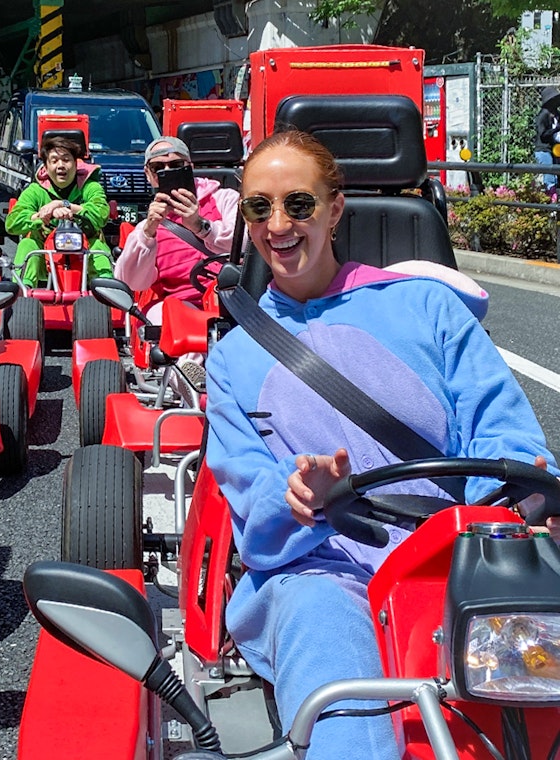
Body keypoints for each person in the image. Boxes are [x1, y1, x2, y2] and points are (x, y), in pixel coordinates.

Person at [204, 129, 558, 759]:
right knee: (325, 629)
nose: (278, 224)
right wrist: (295, 496)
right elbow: (247, 486)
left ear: (335, 209)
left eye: (300, 204)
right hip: (321, 566)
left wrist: (520, 497)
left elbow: (499, 429)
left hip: (447, 554)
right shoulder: (235, 356)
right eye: (259, 208)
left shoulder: (427, 308)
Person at [113, 136, 239, 392]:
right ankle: (191, 383)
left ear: (189, 168)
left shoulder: (225, 199)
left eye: (176, 165)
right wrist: (149, 232)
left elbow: (248, 242)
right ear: (149, 175)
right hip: (179, 304)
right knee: (170, 318)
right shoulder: (147, 228)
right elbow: (131, 282)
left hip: (232, 296)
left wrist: (200, 225)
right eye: (159, 168)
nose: (168, 172)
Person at [5, 133, 114, 287]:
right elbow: (12, 223)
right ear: (45, 166)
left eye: (66, 160)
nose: (60, 165)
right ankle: (22, 294)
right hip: (44, 255)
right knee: (27, 245)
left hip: (85, 251)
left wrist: (65, 206)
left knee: (99, 248)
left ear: (76, 164)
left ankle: (107, 292)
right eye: (54, 161)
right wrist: (41, 216)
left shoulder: (90, 186)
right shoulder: (35, 190)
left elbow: (101, 214)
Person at [535, 86, 560, 193]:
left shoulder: (556, 114)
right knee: (550, 177)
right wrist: (556, 129)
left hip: (554, 149)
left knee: (557, 175)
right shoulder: (543, 115)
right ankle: (551, 205)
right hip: (544, 150)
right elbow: (543, 135)